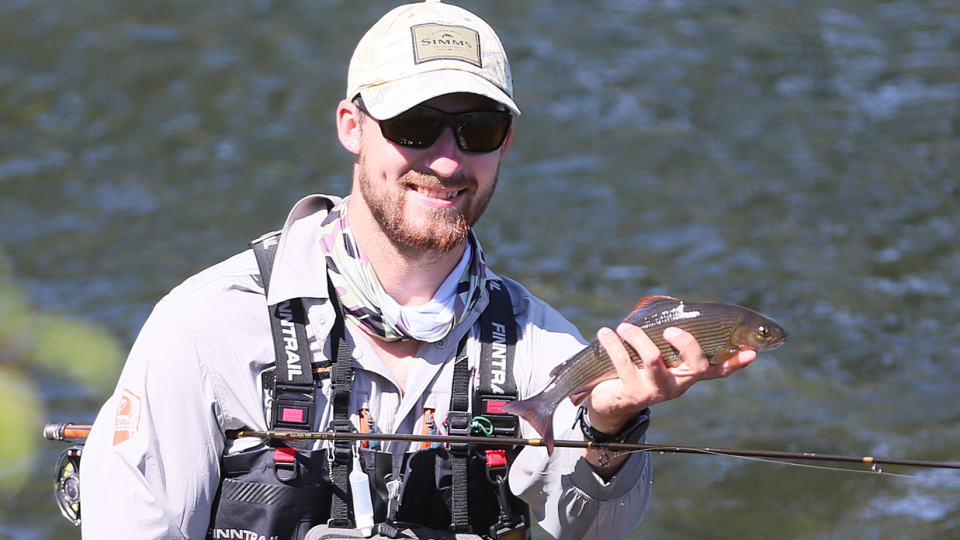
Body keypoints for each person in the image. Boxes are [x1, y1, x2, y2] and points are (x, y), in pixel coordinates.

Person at [79, 1, 756, 539]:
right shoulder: (203, 330)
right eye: (414, 125)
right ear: (351, 125)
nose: (446, 158)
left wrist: (611, 430)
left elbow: (593, 531)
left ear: (506, 142)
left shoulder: (546, 349)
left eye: (478, 129)